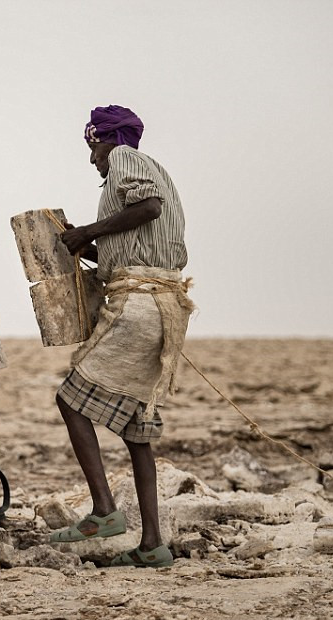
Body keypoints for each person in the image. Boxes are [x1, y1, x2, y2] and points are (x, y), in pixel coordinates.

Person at [50, 105, 194, 568]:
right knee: (137, 433)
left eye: (92, 146)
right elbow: (138, 235)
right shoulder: (154, 170)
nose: (92, 159)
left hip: (141, 304)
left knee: (71, 401)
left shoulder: (127, 161)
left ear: (106, 138)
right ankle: (153, 544)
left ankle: (105, 511)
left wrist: (90, 229)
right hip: (163, 307)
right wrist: (88, 245)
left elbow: (147, 206)